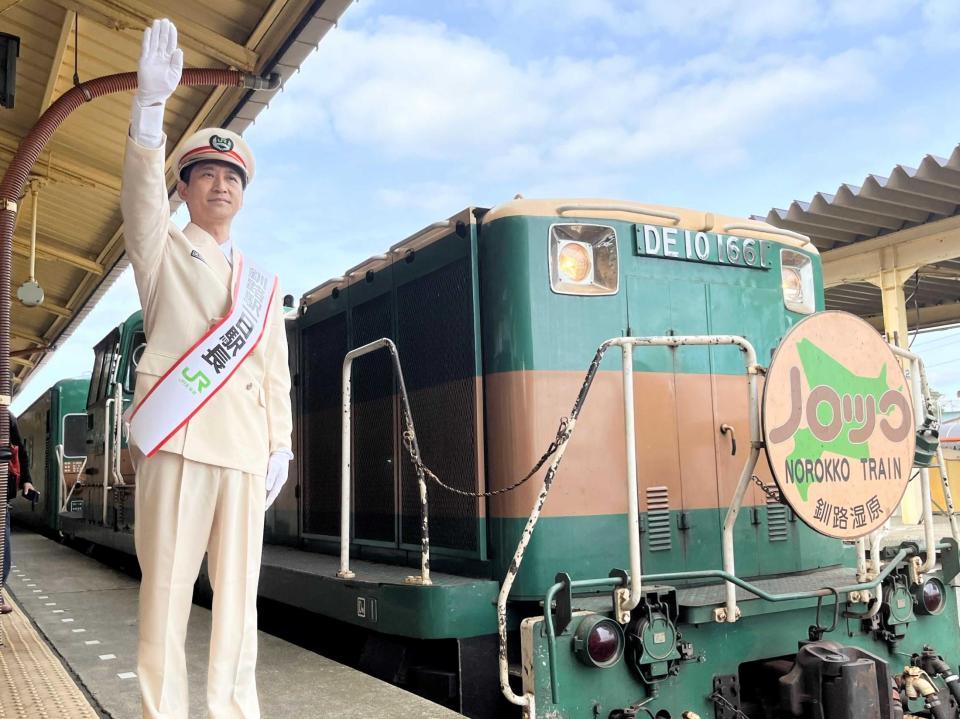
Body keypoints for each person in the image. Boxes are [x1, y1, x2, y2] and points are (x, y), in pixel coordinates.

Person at [121, 19, 293, 719]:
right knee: (165, 594)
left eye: (232, 177)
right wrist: (149, 111)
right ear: (185, 189)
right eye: (207, 175)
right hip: (181, 441)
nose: (220, 185)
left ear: (242, 193)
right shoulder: (161, 250)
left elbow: (275, 374)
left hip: (245, 453)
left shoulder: (262, 284)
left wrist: (280, 444)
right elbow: (139, 201)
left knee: (238, 604)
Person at [2, 410, 35, 615]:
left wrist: (26, 481)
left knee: (2, 546)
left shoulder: (5, 418)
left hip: (1, 494)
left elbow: (19, 451)